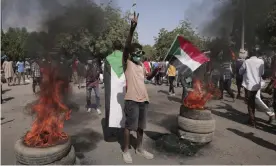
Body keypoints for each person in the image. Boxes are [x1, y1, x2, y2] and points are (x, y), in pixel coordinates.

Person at [121, 13, 160, 164]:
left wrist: (156, 71)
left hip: (144, 100)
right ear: (130, 55)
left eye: (140, 53)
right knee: (129, 127)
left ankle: (139, 148)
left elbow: (148, 77)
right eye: (136, 53)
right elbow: (126, 47)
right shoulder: (128, 63)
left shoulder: (140, 65)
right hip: (132, 100)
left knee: (141, 127)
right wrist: (132, 29)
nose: (139, 55)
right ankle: (125, 151)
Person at [104, 40, 125, 140]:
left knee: (111, 107)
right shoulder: (125, 58)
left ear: (113, 48)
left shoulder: (108, 59)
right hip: (123, 89)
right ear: (121, 47)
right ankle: (122, 131)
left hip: (111, 88)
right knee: (122, 107)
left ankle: (110, 133)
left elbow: (106, 79)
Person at [239, 49, 264, 127]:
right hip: (256, 85)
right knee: (252, 101)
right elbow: (262, 73)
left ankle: (252, 121)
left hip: (248, 85)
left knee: (250, 102)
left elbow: (240, 71)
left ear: (249, 54)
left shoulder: (247, 61)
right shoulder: (261, 61)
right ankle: (251, 118)